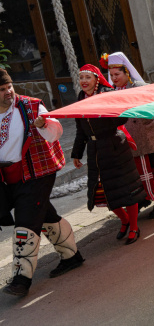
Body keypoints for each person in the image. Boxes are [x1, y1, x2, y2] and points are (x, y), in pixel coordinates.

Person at [0, 69, 84, 297]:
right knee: (44, 214)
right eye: (1, 89)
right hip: (11, 177)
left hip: (38, 171)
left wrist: (42, 125)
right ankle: (72, 256)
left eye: (9, 87)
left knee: (25, 221)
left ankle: (21, 279)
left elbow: (56, 131)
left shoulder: (32, 106)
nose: (8, 92)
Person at [72, 65, 146, 245]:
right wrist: (77, 153)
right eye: (81, 77)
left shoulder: (107, 94)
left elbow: (122, 118)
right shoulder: (80, 98)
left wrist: (100, 109)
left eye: (87, 77)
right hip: (95, 149)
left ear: (96, 79)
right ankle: (124, 220)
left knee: (126, 188)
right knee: (101, 191)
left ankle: (134, 226)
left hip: (114, 145)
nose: (83, 81)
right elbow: (80, 130)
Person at [106, 52, 154, 218]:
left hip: (147, 137)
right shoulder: (111, 92)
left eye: (117, 74)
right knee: (138, 174)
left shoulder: (138, 87)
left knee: (153, 170)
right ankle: (146, 199)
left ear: (126, 73)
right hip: (128, 141)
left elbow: (153, 107)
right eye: (112, 75)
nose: (114, 78)